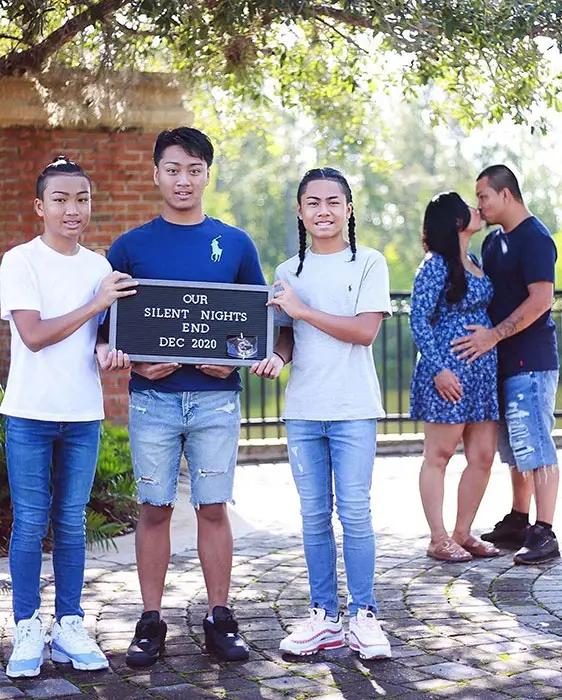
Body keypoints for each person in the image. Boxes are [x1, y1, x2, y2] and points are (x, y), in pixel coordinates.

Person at [106, 127, 266, 667]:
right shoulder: (129, 247)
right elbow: (111, 330)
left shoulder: (237, 243)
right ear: (156, 172)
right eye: (173, 168)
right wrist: (138, 359)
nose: (183, 179)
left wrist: (236, 360)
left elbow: (254, 325)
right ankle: (151, 621)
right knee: (153, 509)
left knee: (213, 508)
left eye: (194, 169)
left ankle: (221, 618)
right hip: (153, 399)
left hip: (216, 400)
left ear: (206, 175)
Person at [0, 156, 135, 678]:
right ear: (40, 206)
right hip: (30, 413)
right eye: (60, 199)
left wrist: (107, 348)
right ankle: (28, 627)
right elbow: (32, 337)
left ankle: (70, 624)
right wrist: (93, 304)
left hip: (82, 414)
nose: (72, 208)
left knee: (72, 524)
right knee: (31, 522)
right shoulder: (20, 261)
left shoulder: (98, 267)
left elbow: (102, 337)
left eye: (81, 198)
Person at [251, 167, 392, 661]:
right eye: (313, 202)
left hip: (353, 408)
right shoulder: (288, 272)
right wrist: (277, 356)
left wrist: (304, 310)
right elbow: (288, 334)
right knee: (313, 517)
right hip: (304, 411)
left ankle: (365, 617)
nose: (323, 211)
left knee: (354, 513)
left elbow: (364, 331)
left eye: (334, 202)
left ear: (349, 210)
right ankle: (324, 618)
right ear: (300, 211)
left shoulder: (368, 263)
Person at [452, 164, 560, 565]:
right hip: (501, 363)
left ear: (506, 195)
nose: (478, 204)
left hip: (529, 361)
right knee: (517, 448)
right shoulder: (496, 242)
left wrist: (494, 335)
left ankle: (545, 531)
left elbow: (541, 300)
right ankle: (519, 520)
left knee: (536, 443)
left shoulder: (534, 238)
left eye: (483, 196)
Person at [409, 192, 500, 562]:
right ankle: (438, 538)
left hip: (480, 374)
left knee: (482, 455)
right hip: (447, 373)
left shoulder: (474, 260)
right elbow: (418, 319)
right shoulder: (434, 266)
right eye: (470, 206)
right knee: (440, 455)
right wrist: (439, 369)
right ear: (457, 221)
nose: (477, 210)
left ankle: (463, 533)